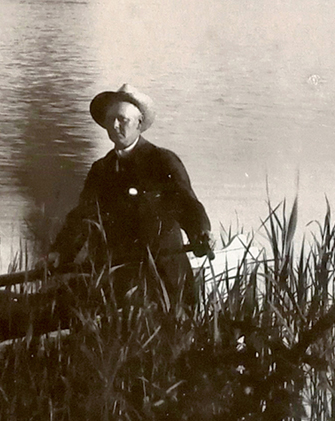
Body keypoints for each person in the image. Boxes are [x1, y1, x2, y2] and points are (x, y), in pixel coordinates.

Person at [48, 84, 214, 306]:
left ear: (139, 124)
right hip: (117, 271)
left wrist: (202, 233)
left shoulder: (162, 161)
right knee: (64, 301)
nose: (115, 126)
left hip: (161, 277)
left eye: (122, 119)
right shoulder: (101, 169)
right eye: (110, 120)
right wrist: (60, 251)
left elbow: (187, 205)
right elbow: (83, 217)